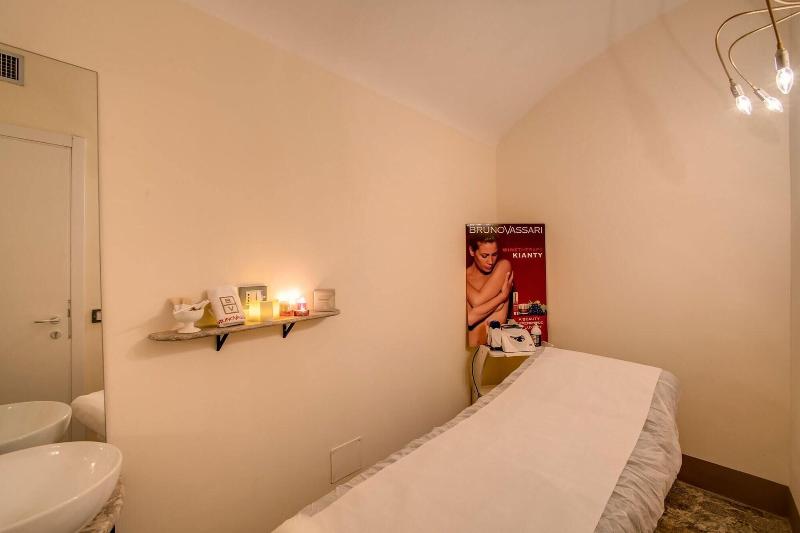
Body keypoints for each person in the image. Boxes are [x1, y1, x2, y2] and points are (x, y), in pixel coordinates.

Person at [466, 234, 514, 346]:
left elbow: (477, 302)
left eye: (494, 254)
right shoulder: (463, 276)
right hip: (466, 352)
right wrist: (502, 297)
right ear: (472, 251)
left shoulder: (503, 266)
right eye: (484, 256)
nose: (491, 261)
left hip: (495, 352)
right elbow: (470, 319)